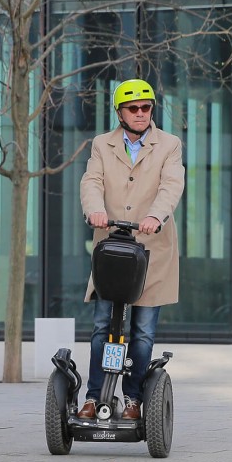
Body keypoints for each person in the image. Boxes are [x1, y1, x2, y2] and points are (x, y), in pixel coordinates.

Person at [78, 79, 185, 420]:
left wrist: (155, 215)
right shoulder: (101, 144)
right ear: (120, 113)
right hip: (112, 249)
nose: (141, 114)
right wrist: (94, 210)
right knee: (101, 328)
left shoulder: (169, 144)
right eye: (133, 108)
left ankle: (135, 400)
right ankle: (94, 398)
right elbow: (92, 181)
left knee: (142, 331)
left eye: (146, 107)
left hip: (151, 250)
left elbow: (172, 184)